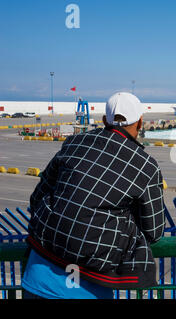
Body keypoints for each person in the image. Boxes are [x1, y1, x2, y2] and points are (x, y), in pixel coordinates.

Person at [22, 92, 165, 299]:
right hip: (88, 286)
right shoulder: (146, 166)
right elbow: (155, 230)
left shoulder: (74, 143)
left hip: (39, 274)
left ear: (105, 120)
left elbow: (38, 196)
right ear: (140, 122)